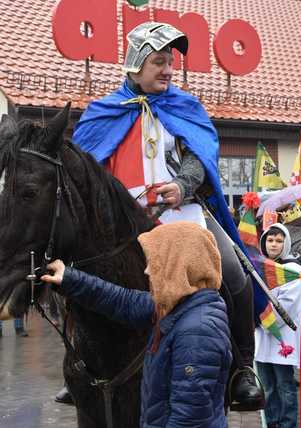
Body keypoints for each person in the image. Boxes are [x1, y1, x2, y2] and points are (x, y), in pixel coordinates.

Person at [72, 22, 263, 409]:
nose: (168, 70)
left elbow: (199, 158)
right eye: (159, 62)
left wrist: (183, 185)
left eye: (171, 62)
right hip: (124, 228)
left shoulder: (184, 107)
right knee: (82, 279)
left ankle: (242, 370)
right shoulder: (102, 112)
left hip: (183, 218)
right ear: (137, 63)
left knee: (234, 275)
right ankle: (82, 364)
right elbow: (85, 172)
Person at [41, 222, 231, 427]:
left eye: (155, 262)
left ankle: (244, 370)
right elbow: (123, 301)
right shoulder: (177, 306)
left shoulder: (197, 332)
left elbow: (188, 421)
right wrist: (69, 278)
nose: (147, 271)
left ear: (177, 265)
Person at [255, 223, 301, 428]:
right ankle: (272, 422)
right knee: (267, 386)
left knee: (285, 385)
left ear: (286, 243)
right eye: (270, 240)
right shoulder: (256, 266)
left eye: (278, 240)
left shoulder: (292, 271)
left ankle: (288, 423)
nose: (273, 244)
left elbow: (289, 306)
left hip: (282, 337)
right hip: (262, 337)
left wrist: (263, 318)